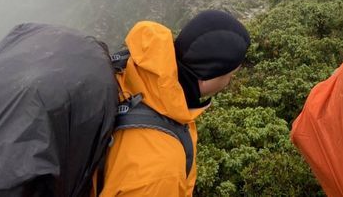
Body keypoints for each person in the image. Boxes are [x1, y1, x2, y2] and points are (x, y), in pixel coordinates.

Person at [97, 10, 250, 197]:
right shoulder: (162, 172)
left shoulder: (138, 67)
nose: (231, 81)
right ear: (207, 79)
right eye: (230, 75)